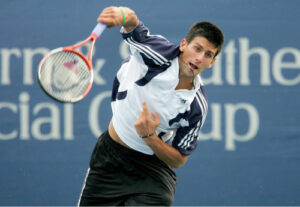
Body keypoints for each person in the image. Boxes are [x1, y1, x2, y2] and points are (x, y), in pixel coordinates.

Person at [78, 6, 224, 206]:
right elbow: (132, 23)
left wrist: (149, 137)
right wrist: (121, 15)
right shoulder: (158, 53)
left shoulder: (196, 106)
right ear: (183, 45)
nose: (200, 58)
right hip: (109, 160)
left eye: (208, 54)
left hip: (150, 170)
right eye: (197, 48)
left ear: (212, 62)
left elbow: (179, 159)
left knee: (161, 199)